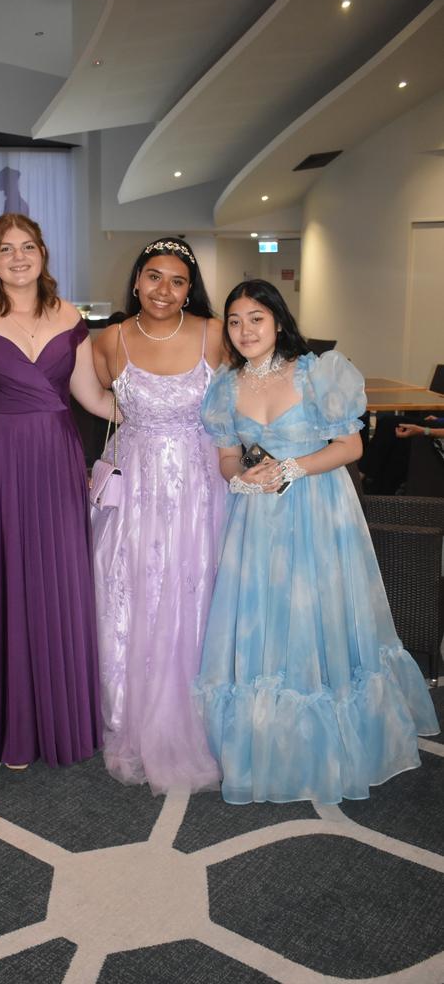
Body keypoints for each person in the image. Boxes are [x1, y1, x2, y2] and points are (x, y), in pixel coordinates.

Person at [195, 279, 439, 806]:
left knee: (319, 615)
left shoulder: (317, 372)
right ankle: (270, 740)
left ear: (278, 321)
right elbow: (226, 456)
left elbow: (350, 446)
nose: (244, 331)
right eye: (235, 321)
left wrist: (290, 467)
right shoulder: (224, 385)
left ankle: (332, 741)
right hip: (256, 517)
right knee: (265, 619)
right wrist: (240, 477)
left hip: (318, 509)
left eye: (255, 318)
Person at [0, 213, 115, 768]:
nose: (18, 257)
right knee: (2, 583)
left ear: (44, 253)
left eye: (28, 246)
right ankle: (4, 723)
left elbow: (90, 395)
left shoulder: (71, 317)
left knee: (54, 581)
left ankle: (53, 717)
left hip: (57, 462)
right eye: (5, 248)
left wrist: (160, 416)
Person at [92, 238, 229, 794]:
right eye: (153, 277)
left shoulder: (214, 333)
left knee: (196, 592)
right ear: (136, 281)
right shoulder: (111, 338)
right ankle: (132, 715)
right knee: (134, 594)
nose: (164, 290)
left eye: (176, 281)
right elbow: (93, 396)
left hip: (200, 488)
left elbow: (245, 394)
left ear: (190, 288)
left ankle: (199, 717)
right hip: (137, 485)